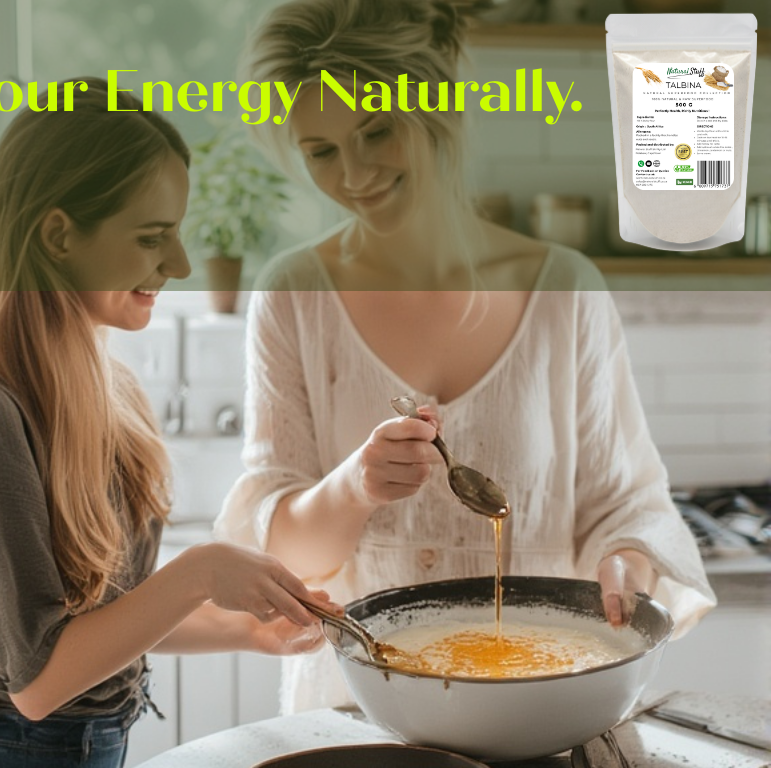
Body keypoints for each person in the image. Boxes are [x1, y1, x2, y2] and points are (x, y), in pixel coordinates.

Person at [213, 0, 715, 713]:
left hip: (540, 706)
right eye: (321, 151)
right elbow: (283, 557)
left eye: (376, 131)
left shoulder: (564, 291)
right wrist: (356, 486)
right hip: (358, 716)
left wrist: (625, 563)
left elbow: (626, 501)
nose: (353, 173)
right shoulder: (294, 295)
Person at [0, 78, 337, 768]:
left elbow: (108, 622)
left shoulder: (113, 395)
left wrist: (247, 631)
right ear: (58, 235)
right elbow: (40, 683)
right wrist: (200, 572)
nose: (180, 264)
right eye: (151, 236)